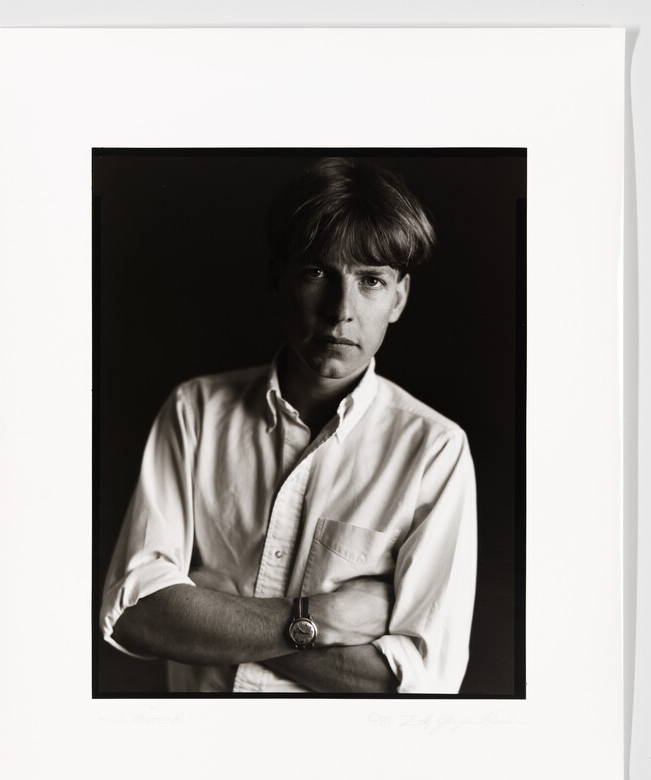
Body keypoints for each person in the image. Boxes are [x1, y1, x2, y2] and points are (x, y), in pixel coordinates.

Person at [99, 157, 477, 694]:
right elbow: (138, 614)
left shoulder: (434, 450)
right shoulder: (195, 411)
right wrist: (322, 619)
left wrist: (211, 610)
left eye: (370, 280)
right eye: (317, 272)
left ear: (399, 298)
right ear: (278, 279)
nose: (340, 311)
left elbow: (418, 682)